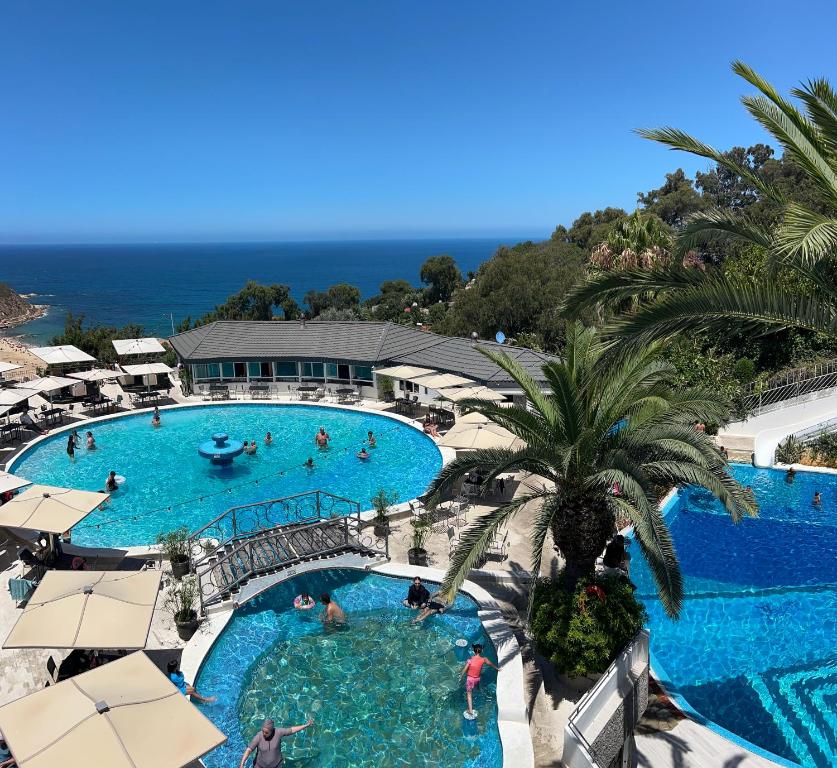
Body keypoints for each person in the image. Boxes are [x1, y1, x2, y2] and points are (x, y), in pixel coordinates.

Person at [239, 717, 314, 768]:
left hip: (276, 765)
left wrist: (306, 725)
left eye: (266, 732)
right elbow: (248, 750)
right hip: (260, 766)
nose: (264, 734)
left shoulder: (278, 732)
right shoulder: (259, 736)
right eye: (263, 731)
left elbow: (291, 730)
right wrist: (242, 764)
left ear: (272, 731)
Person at [460, 643, 498, 718]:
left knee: (469, 694)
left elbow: (464, 669)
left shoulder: (470, 660)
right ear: (482, 651)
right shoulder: (483, 659)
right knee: (477, 687)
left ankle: (470, 710)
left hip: (470, 679)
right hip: (477, 678)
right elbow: (490, 664)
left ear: (474, 651)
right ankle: (480, 692)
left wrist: (461, 676)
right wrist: (497, 668)